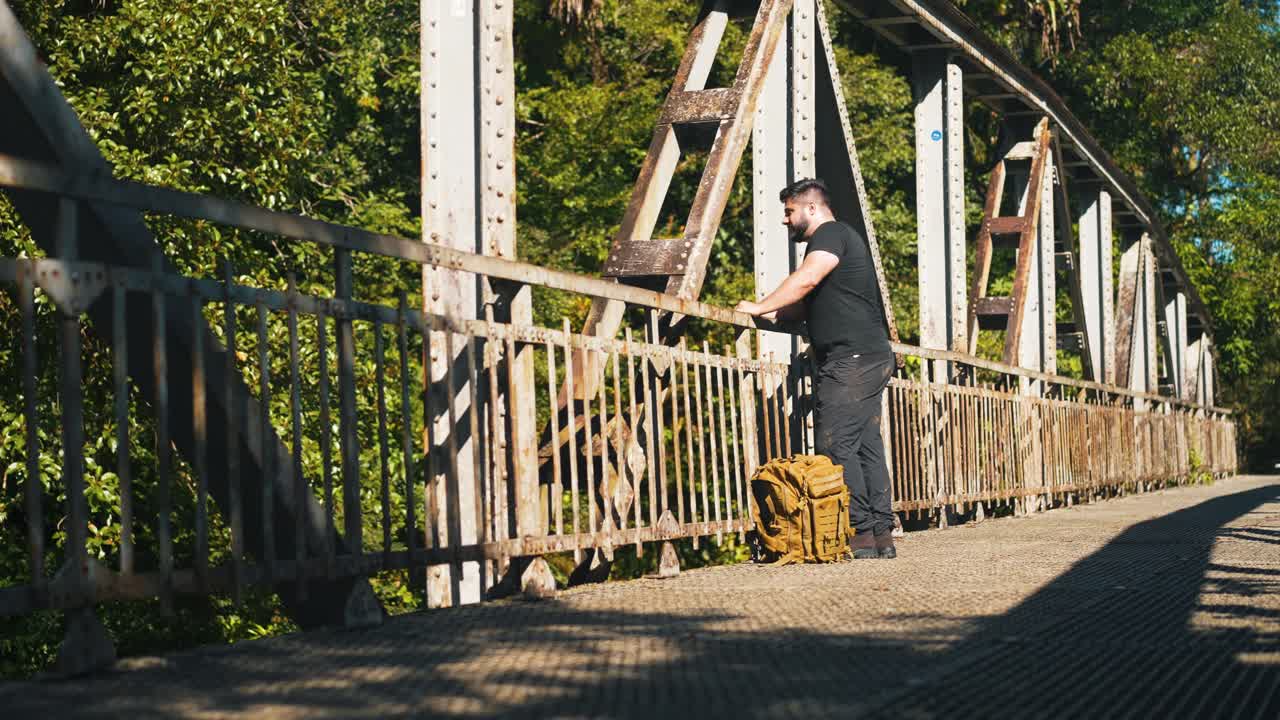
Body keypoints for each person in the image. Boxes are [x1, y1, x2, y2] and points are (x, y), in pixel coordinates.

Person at [735, 178, 897, 559]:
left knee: (835, 443)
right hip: (868, 355)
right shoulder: (839, 240)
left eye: (789, 212)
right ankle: (880, 535)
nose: (785, 220)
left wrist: (757, 307)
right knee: (864, 445)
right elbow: (804, 303)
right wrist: (774, 312)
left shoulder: (830, 234)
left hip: (852, 359)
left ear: (810, 208)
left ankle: (858, 533)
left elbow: (806, 280)